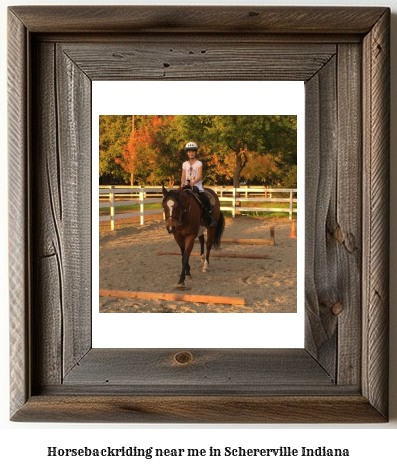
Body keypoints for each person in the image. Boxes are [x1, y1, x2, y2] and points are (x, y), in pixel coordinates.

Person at [181, 142, 216, 228]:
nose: (191, 153)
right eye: (189, 152)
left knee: (205, 199)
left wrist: (193, 183)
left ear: (195, 152)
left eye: (192, 151)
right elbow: (183, 176)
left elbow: (199, 176)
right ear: (187, 153)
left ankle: (210, 217)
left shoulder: (199, 163)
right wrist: (182, 183)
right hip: (186, 186)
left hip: (197, 186)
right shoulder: (184, 164)